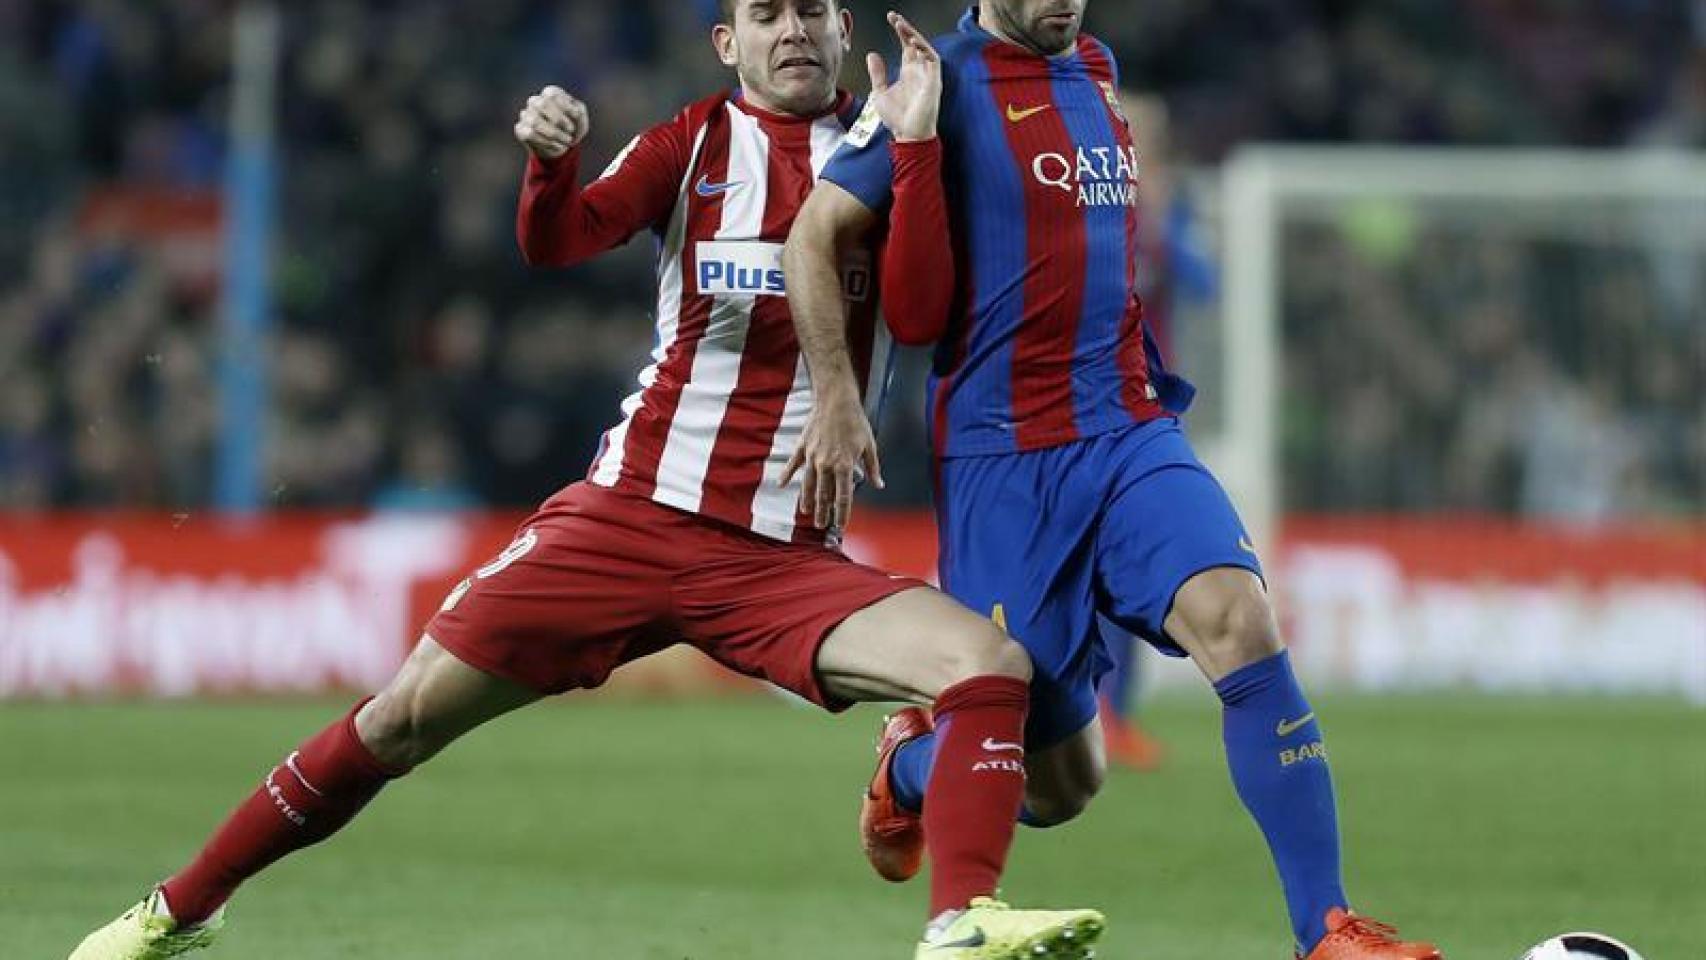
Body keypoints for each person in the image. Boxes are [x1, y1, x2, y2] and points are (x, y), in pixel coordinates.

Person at [66, 4, 1104, 959]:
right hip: (628, 519)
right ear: (726, 42)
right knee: (398, 720)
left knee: (987, 668)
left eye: (809, 10)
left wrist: (917, 146)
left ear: (843, 28)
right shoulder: (689, 142)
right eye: (764, 13)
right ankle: (173, 912)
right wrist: (549, 167)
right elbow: (558, 240)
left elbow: (919, 314)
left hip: (780, 558)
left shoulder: (887, 144)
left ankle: (958, 921)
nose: (791, 30)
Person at [780, 5, 1442, 959]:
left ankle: (1327, 930)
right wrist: (836, 397)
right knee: (1062, 787)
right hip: (1006, 467)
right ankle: (912, 768)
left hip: (1128, 429)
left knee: (1239, 619)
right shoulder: (941, 80)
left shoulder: (1095, 64)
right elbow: (824, 243)